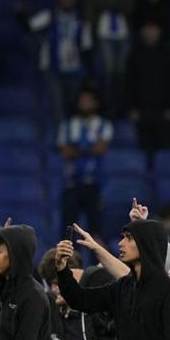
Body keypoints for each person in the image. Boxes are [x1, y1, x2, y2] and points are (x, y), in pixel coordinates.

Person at [24, 0, 94, 124]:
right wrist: (20, 13)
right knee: (57, 104)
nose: (65, 0)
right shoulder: (49, 16)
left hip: (74, 69)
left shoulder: (81, 20)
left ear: (74, 0)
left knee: (72, 105)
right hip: (52, 68)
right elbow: (29, 26)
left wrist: (89, 73)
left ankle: (71, 137)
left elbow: (87, 49)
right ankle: (61, 139)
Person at [126, 21, 170, 161]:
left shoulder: (169, 54)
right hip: (141, 112)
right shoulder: (135, 54)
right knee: (142, 154)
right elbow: (128, 83)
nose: (151, 33)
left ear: (159, 31)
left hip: (164, 112)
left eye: (154, 29)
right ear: (142, 32)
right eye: (147, 29)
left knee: (165, 155)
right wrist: (131, 108)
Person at [57, 88, 112, 233]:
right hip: (71, 183)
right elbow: (64, 151)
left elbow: (101, 148)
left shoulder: (104, 124)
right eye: (82, 101)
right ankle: (68, 256)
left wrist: (76, 151)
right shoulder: (68, 125)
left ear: (95, 103)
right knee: (67, 229)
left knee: (96, 229)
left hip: (93, 184)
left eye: (88, 101)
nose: (85, 104)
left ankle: (97, 256)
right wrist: (88, 150)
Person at [95, 0, 134, 118]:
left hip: (123, 33)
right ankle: (107, 108)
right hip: (104, 33)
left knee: (122, 72)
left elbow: (129, 6)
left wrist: (111, 4)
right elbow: (99, 3)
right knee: (108, 72)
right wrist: (117, 4)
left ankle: (121, 108)